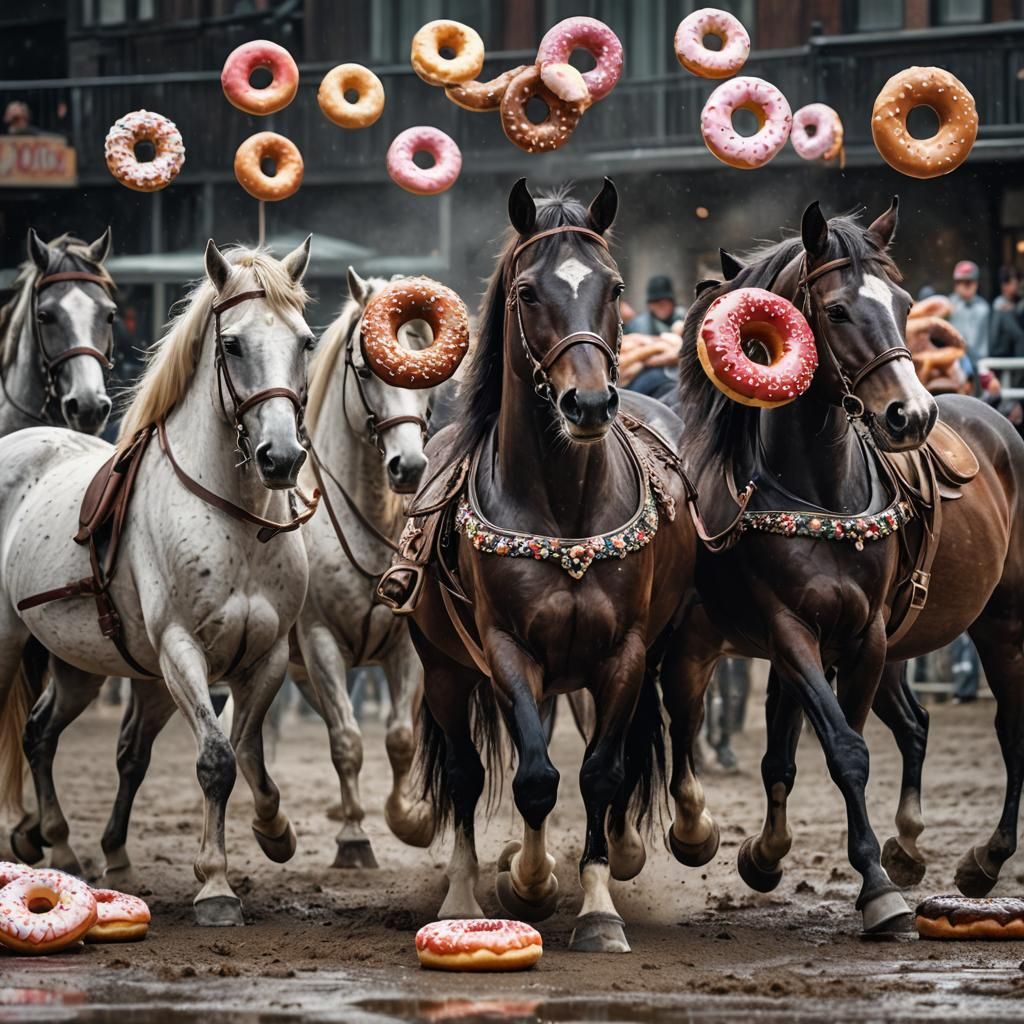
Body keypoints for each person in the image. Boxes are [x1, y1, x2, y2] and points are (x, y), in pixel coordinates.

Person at [621, 274, 686, 400]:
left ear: (672, 302)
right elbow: (626, 358)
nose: (661, 306)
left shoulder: (686, 319)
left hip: (679, 375)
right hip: (644, 376)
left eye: (664, 301)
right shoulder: (638, 325)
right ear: (650, 304)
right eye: (656, 302)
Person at [948, 260, 990, 361]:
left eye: (968, 282)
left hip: (980, 362)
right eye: (960, 282)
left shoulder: (983, 307)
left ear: (976, 284)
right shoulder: (948, 306)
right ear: (956, 284)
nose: (965, 286)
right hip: (953, 360)